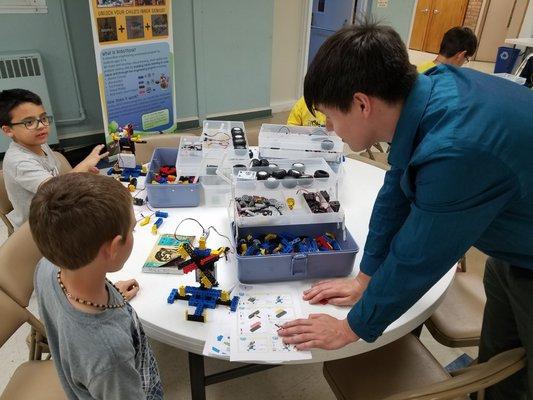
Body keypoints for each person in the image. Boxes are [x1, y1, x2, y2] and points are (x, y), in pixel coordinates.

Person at [277, 22, 533, 399]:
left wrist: (351, 328)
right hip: (511, 255)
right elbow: (395, 192)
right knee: (501, 363)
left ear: (363, 104)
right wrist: (365, 278)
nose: (331, 130)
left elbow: (418, 257)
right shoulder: (430, 88)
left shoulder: (457, 150)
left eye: (331, 117)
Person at [29, 173, 164, 399]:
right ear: (113, 248)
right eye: (132, 229)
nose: (133, 232)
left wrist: (111, 294)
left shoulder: (47, 267)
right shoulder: (110, 354)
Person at [0, 89, 108, 229]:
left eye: (43, 118)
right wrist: (84, 164)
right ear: (8, 130)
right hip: (40, 228)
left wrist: (82, 173)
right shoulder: (19, 162)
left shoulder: (40, 144)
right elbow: (56, 189)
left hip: (57, 209)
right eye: (29, 122)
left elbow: (56, 181)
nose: (41, 126)